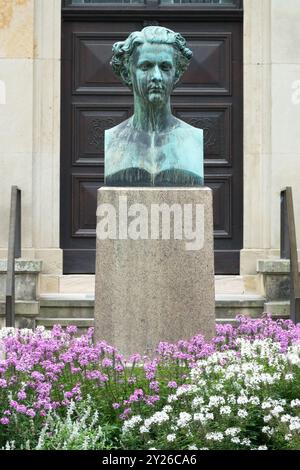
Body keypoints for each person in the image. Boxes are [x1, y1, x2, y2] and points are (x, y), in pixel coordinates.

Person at [105, 26, 204, 187]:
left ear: (176, 74)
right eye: (146, 66)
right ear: (127, 74)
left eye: (165, 67)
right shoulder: (113, 140)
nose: (156, 76)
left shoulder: (194, 140)